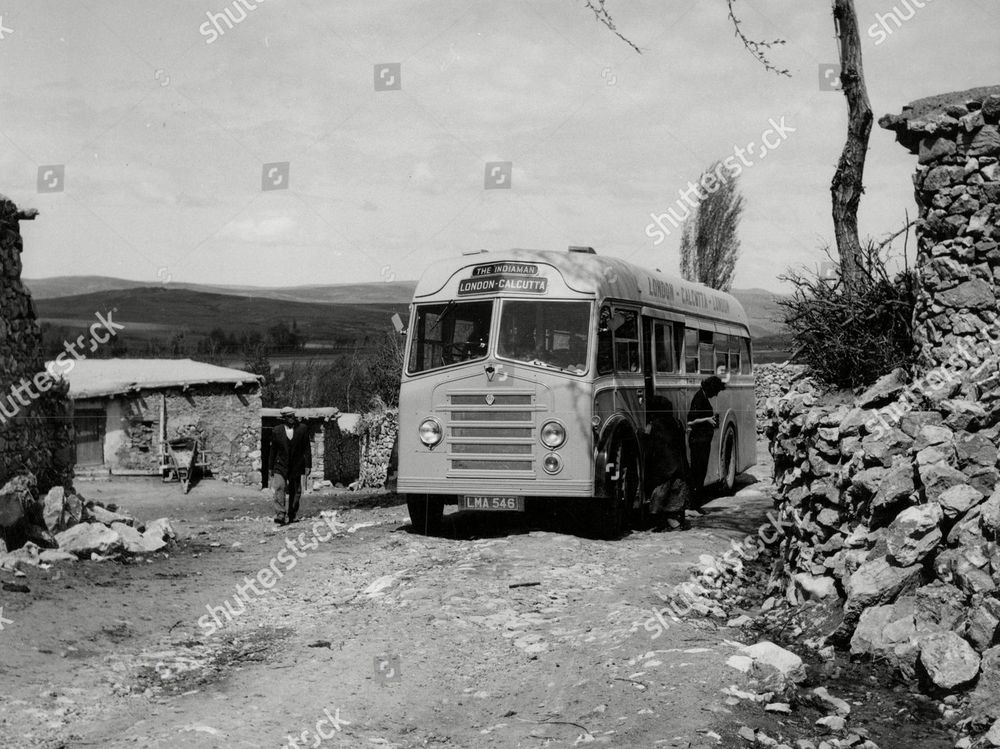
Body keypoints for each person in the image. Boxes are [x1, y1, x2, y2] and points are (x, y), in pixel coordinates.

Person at [644, 396, 690, 531]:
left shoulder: (655, 425)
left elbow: (652, 447)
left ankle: (669, 524)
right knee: (676, 497)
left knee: (661, 497)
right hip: (679, 466)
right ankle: (676, 522)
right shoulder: (677, 422)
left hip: (664, 468)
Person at [686, 375, 726, 514]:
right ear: (711, 388)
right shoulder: (699, 398)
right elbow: (690, 421)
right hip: (698, 442)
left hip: (702, 441)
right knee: (697, 472)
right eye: (716, 391)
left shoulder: (702, 397)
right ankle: (692, 506)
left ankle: (696, 505)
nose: (715, 394)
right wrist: (707, 420)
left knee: (700, 472)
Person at [269, 406, 312, 525]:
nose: (292, 419)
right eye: (289, 417)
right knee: (279, 487)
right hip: (280, 465)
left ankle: (292, 514)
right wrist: (270, 467)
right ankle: (280, 514)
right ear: (284, 418)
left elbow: (306, 448)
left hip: (296, 465)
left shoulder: (302, 429)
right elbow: (273, 450)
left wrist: (308, 465)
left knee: (295, 490)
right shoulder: (277, 430)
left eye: (293, 416)